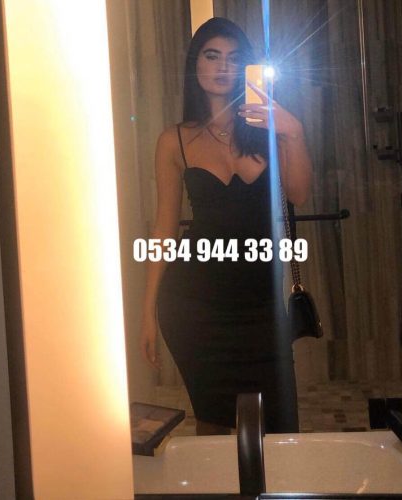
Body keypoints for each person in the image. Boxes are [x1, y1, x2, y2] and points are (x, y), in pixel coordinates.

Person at [140, 17, 312, 436]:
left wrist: (292, 131)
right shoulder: (174, 140)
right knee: (213, 427)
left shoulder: (270, 129)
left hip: (261, 306)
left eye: (234, 59)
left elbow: (299, 194)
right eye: (211, 55)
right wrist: (147, 311)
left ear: (245, 68)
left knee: (281, 427)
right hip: (194, 306)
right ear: (195, 64)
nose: (222, 67)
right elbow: (164, 229)